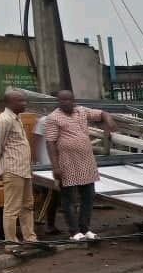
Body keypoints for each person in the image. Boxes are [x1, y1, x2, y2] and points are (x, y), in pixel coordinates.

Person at [44, 90, 117, 242]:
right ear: (58, 101)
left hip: (86, 161)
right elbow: (50, 142)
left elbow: (102, 113)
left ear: (73, 100)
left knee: (89, 196)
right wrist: (55, 166)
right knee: (68, 198)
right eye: (62, 100)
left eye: (69, 99)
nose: (66, 102)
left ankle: (85, 228)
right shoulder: (53, 118)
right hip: (67, 162)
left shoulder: (81, 111)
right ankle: (74, 231)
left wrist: (108, 120)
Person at [0, 89, 38, 252]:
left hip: (23, 169)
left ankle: (30, 238)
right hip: (13, 169)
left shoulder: (17, 118)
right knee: (12, 209)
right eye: (20, 101)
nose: (24, 103)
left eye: (24, 100)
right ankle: (11, 243)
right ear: (9, 103)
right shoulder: (3, 120)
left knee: (28, 205)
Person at [31, 113, 60, 235]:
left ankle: (47, 223)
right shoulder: (44, 121)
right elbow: (35, 141)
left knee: (53, 196)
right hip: (45, 164)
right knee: (50, 194)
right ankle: (42, 222)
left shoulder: (66, 120)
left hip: (57, 164)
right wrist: (35, 162)